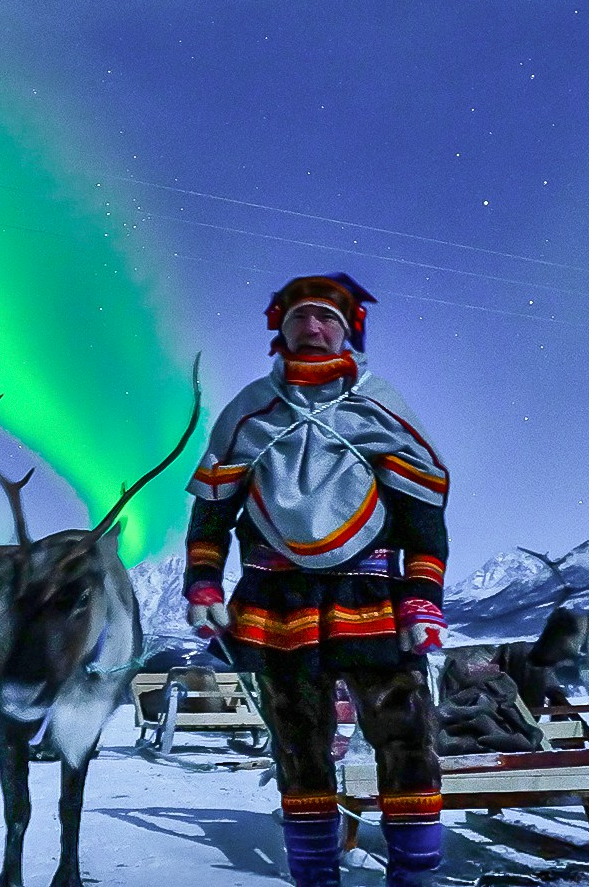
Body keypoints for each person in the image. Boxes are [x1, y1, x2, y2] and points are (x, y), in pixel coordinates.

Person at [183, 273, 450, 887]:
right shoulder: (248, 413)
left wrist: (423, 601)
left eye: (326, 318)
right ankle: (315, 879)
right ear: (279, 328)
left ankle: (414, 879)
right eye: (299, 317)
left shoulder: (380, 408)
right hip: (279, 601)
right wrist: (203, 584)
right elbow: (213, 514)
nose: (312, 327)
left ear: (349, 329)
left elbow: (422, 516)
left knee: (407, 739)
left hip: (373, 598)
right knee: (300, 747)